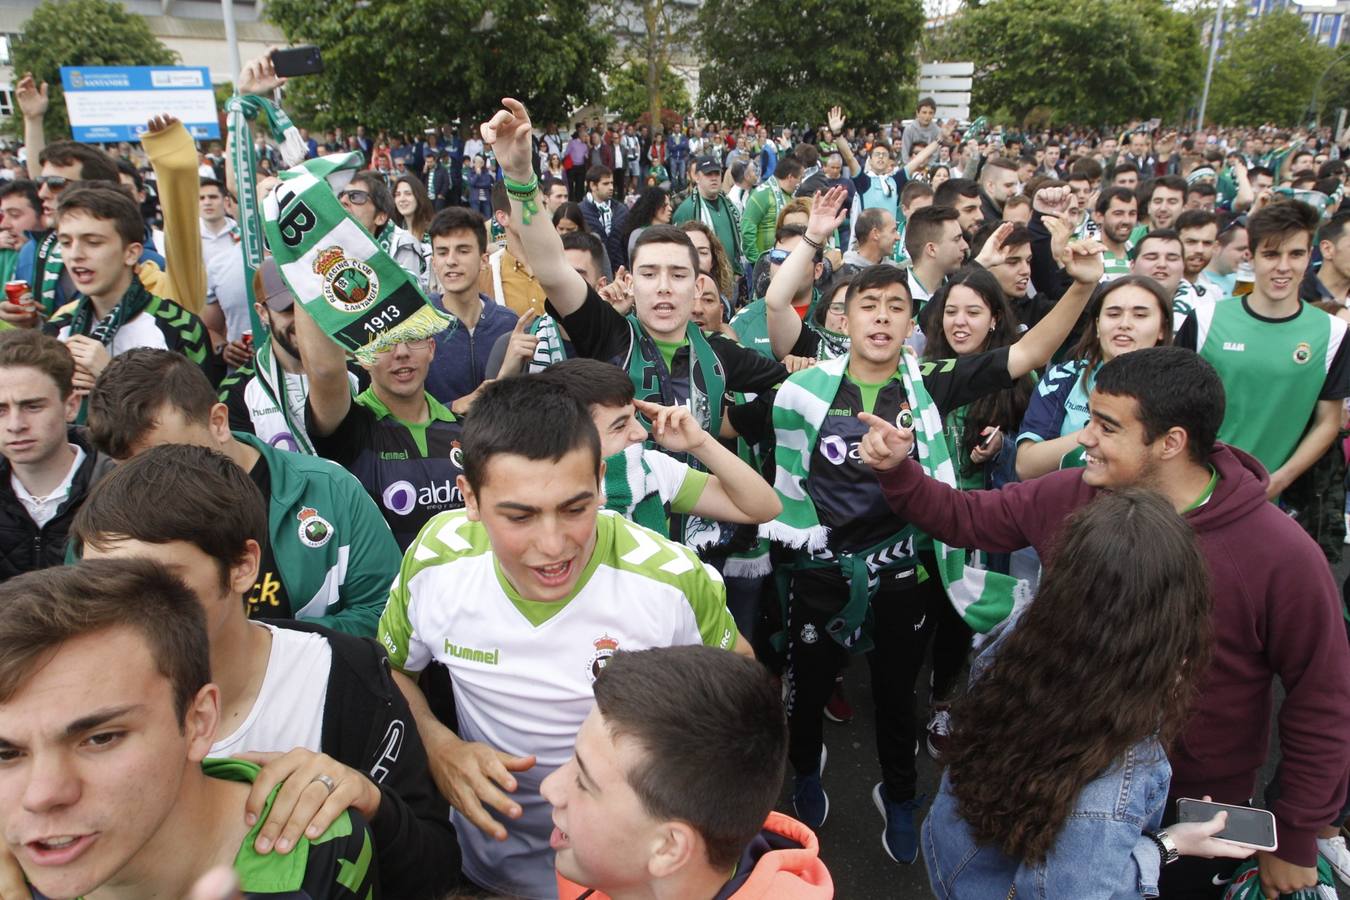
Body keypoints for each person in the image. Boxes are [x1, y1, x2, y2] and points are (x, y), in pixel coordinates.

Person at [860, 346, 1350, 899]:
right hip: (1069, 785)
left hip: (1199, 812)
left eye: (1106, 426)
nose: (1084, 437)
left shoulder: (1281, 554)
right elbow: (968, 517)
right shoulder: (1076, 492)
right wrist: (897, 472)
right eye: (1089, 418)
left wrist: (1295, 838)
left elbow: (1323, 700)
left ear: (1171, 442)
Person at [766, 237, 1102, 864]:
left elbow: (1027, 352)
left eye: (898, 306)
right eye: (871, 305)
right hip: (821, 570)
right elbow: (772, 315)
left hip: (904, 572)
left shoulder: (932, 381)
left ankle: (896, 792)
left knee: (897, 695)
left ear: (908, 322)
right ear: (848, 316)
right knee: (807, 690)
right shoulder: (806, 386)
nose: (884, 317)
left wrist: (1081, 287)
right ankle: (806, 774)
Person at [378, 376, 748, 900]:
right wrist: (439, 747)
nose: (553, 545)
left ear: (600, 480)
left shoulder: (670, 579)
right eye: (520, 516)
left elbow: (742, 699)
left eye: (575, 508)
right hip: (486, 870)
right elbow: (393, 670)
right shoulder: (435, 559)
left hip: (631, 883)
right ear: (471, 498)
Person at [63, 442, 461, 897]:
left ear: (242, 567)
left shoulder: (343, 673)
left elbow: (434, 867)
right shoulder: (64, 697)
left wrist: (372, 804)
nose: (123, 608)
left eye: (158, 582)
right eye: (99, 583)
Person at [922, 489, 1255, 898]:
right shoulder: (1116, 767)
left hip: (956, 864)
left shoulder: (1024, 635)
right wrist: (1169, 845)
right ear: (1169, 627)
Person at [0, 558, 380, 899]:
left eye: (100, 739)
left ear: (199, 721)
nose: (43, 794)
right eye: (5, 754)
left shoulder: (319, 844)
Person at [86, 348, 400, 635]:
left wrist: (268, 646)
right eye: (129, 470)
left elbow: (387, 611)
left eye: (167, 458)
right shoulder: (108, 522)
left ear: (218, 422)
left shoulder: (329, 490)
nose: (149, 484)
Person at [547, 645, 833, 900]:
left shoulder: (599, 861)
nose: (548, 787)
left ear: (668, 847)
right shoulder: (600, 865)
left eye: (583, 782)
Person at [1176, 200, 1348, 500]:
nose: (1283, 266)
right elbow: (1174, 406)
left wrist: (1278, 481)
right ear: (1251, 257)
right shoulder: (1205, 319)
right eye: (1270, 254)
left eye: (1295, 254)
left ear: (1310, 256)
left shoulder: (1333, 333)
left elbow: (1328, 421)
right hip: (1194, 490)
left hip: (1271, 499)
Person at [534, 357, 780, 556]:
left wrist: (700, 443)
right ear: (567, 436)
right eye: (620, 426)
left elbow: (764, 507)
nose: (641, 433)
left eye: (635, 417)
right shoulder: (531, 497)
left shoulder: (649, 468)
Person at [292, 281, 465, 552]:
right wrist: (306, 272)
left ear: (431, 347)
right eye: (385, 341)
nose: (402, 352)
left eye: (414, 337)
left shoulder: (463, 430)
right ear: (363, 355)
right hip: (388, 594)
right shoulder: (351, 427)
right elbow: (325, 371)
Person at [42, 185, 215, 408]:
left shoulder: (179, 327)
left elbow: (199, 422)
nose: (75, 254)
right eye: (66, 243)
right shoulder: (58, 328)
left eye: (93, 242)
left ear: (131, 253)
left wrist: (111, 376)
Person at [1016, 275, 1172, 480]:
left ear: (1162, 328)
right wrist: (1103, 430)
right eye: (1114, 314)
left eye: (1140, 315)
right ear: (1098, 325)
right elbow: (1026, 466)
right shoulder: (1065, 376)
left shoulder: (1178, 387)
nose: (1124, 324)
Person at [0, 330, 111, 580]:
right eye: (1, 410)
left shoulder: (121, 485)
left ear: (71, 405)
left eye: (32, 406)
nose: (15, 424)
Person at [423, 206, 519, 407]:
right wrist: (454, 407)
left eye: (463, 251)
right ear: (433, 262)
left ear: (484, 261)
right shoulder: (417, 327)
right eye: (442, 252)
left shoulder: (509, 323)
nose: (451, 261)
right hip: (438, 437)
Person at [338, 171, 426, 286]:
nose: (343, 201)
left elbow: (410, 299)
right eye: (341, 195)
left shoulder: (402, 245)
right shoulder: (328, 245)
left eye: (356, 196)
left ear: (380, 217)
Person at [674, 156, 743, 268]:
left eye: (717, 173)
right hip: (703, 276)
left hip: (732, 276)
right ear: (697, 177)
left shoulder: (729, 204)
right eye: (708, 174)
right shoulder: (687, 209)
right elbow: (678, 250)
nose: (714, 178)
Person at [741, 156, 804, 267]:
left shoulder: (790, 196)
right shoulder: (762, 194)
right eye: (800, 178)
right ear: (790, 177)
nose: (800, 182)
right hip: (763, 266)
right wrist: (756, 262)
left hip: (782, 265)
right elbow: (747, 229)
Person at [579, 164, 629, 271]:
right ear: (593, 185)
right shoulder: (580, 211)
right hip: (592, 272)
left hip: (619, 272)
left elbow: (626, 243)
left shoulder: (622, 210)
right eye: (605, 184)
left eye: (611, 183)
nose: (611, 187)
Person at [620, 186, 673, 263]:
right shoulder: (638, 234)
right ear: (654, 207)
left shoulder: (670, 232)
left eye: (669, 205)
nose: (670, 209)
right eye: (665, 205)